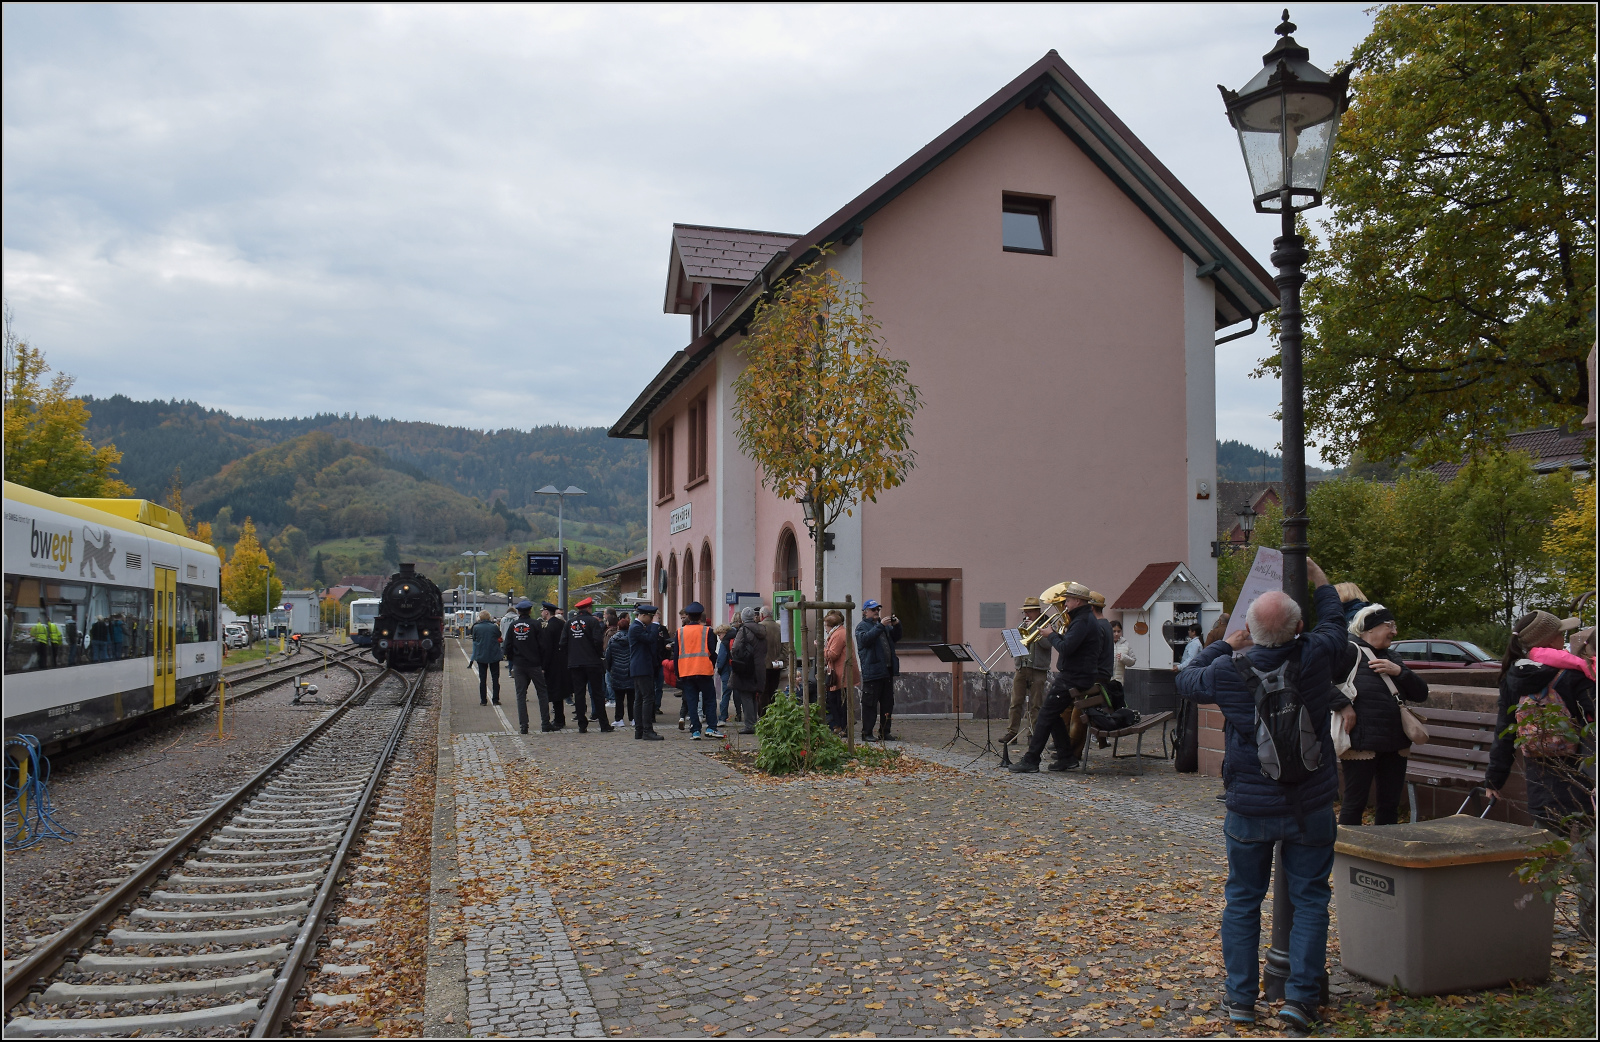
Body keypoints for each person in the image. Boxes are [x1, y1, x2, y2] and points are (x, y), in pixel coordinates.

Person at [1175, 559, 1353, 1031]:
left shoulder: (1228, 671)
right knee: (1312, 899)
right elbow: (1337, 624)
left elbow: (1185, 679)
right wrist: (1321, 581)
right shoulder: (1316, 654)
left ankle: (1240, 1000)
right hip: (1309, 803)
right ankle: (1300, 1001)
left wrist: (1221, 647)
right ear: (1297, 627)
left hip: (1250, 808)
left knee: (1243, 900)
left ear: (1249, 631)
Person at [1486, 611, 1595, 830]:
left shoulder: (1512, 677)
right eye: (1560, 633)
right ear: (1548, 640)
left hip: (1541, 780)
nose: (1564, 637)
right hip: (1580, 777)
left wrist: (1494, 779)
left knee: (1547, 843)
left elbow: (1504, 730)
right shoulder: (1573, 674)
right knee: (1586, 846)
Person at [1339, 604, 1429, 826]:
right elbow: (1319, 682)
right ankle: (1346, 856)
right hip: (1362, 742)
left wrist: (1399, 672)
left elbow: (1421, 694)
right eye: (1390, 626)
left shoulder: (1392, 658)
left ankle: (1385, 854)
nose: (1395, 632)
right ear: (1370, 628)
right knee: (1354, 803)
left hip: (1395, 743)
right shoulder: (1348, 652)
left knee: (1389, 805)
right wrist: (1343, 705)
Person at [1010, 582, 1100, 773]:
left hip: (1074, 676)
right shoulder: (1081, 619)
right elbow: (1070, 644)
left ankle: (1031, 760)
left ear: (1077, 601)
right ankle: (1066, 757)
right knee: (1052, 714)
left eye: (1068, 600)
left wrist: (1050, 634)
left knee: (1044, 714)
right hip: (1076, 674)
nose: (1065, 603)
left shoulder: (1082, 621)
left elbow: (1066, 648)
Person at [1001, 597, 1051, 746]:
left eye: (1029, 611)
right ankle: (1012, 732)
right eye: (1025, 611)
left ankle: (1033, 733)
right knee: (1016, 701)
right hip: (1022, 667)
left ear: (1037, 611)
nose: (1027, 614)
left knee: (1036, 704)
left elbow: (1048, 644)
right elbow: (1017, 647)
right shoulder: (1021, 625)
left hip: (1038, 669)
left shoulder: (1046, 625)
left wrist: (1036, 630)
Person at [560, 597, 609, 733]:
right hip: (592, 662)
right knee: (597, 693)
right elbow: (598, 641)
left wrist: (570, 656)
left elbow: (563, 643)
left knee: (579, 693)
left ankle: (582, 724)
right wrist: (598, 654)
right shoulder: (593, 622)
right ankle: (604, 724)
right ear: (588, 608)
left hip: (575, 663)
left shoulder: (569, 623)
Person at [855, 600, 902, 742]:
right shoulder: (862, 626)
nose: (876, 612)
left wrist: (897, 625)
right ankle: (867, 733)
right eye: (873, 609)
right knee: (870, 704)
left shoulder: (883, 626)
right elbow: (865, 640)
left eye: (878, 609)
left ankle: (885, 732)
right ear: (865, 611)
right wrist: (881, 626)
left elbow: (896, 637)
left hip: (886, 671)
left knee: (888, 703)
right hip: (872, 671)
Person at [677, 602, 722, 739]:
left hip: (686, 671)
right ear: (700, 616)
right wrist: (712, 664)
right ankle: (711, 727)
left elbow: (675, 654)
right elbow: (712, 652)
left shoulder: (680, 632)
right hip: (704, 670)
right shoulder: (707, 631)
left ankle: (695, 730)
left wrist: (678, 673)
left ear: (688, 617)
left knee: (692, 701)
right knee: (709, 700)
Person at [503, 599, 550, 733]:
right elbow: (543, 646)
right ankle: (545, 723)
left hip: (519, 665)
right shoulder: (536, 625)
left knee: (521, 695)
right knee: (542, 693)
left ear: (518, 612)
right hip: (535, 664)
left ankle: (524, 726)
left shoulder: (513, 626)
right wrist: (543, 664)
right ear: (530, 611)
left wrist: (513, 660)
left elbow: (507, 647)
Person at [628, 605, 666, 740]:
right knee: (648, 698)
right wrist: (656, 624)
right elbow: (650, 639)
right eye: (650, 617)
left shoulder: (638, 627)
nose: (651, 620)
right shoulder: (636, 628)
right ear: (643, 615)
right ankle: (646, 730)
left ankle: (640, 730)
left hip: (640, 667)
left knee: (639, 699)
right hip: (642, 667)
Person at [728, 606, 768, 733]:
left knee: (745, 695)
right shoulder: (762, 629)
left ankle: (750, 725)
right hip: (759, 666)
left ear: (743, 619)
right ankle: (754, 722)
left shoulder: (743, 630)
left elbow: (735, 648)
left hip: (746, 667)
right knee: (754, 695)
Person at [823, 609, 856, 733]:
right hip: (840, 673)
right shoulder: (840, 632)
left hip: (841, 675)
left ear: (829, 625)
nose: (825, 629)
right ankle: (841, 726)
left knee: (838, 701)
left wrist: (821, 648)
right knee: (837, 700)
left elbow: (832, 655)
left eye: (825, 625)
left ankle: (842, 727)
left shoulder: (838, 634)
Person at [538, 603, 571, 728]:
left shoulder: (550, 627)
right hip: (563, 661)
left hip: (553, 664)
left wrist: (544, 666)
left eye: (543, 611)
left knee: (555, 692)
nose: (542, 613)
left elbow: (547, 648)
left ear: (546, 612)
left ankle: (559, 720)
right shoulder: (561, 624)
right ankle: (560, 718)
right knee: (561, 691)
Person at [469, 610, 504, 706]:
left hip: (481, 655)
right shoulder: (494, 627)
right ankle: (495, 699)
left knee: (482, 679)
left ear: (480, 618)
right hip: (494, 655)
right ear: (489, 617)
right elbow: (499, 636)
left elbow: (475, 638)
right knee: (495, 678)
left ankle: (483, 700)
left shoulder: (476, 627)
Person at [606, 612, 634, 727]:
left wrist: (610, 668)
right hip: (630, 671)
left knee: (619, 698)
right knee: (632, 698)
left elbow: (608, 656)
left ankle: (619, 719)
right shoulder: (632, 639)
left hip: (617, 671)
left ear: (618, 627)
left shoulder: (612, 640)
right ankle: (633, 719)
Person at [759, 606, 785, 718]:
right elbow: (785, 647)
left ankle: (763, 717)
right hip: (777, 664)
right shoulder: (779, 627)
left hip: (763, 665)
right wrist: (780, 658)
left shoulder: (760, 627)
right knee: (774, 691)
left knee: (763, 693)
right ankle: (774, 716)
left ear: (761, 615)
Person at [715, 623, 737, 725]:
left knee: (726, 694)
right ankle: (739, 714)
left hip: (726, 671)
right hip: (736, 669)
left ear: (724, 632)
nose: (719, 637)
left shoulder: (724, 643)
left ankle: (723, 717)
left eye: (719, 634)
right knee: (737, 693)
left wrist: (719, 669)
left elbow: (721, 658)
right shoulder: (736, 638)